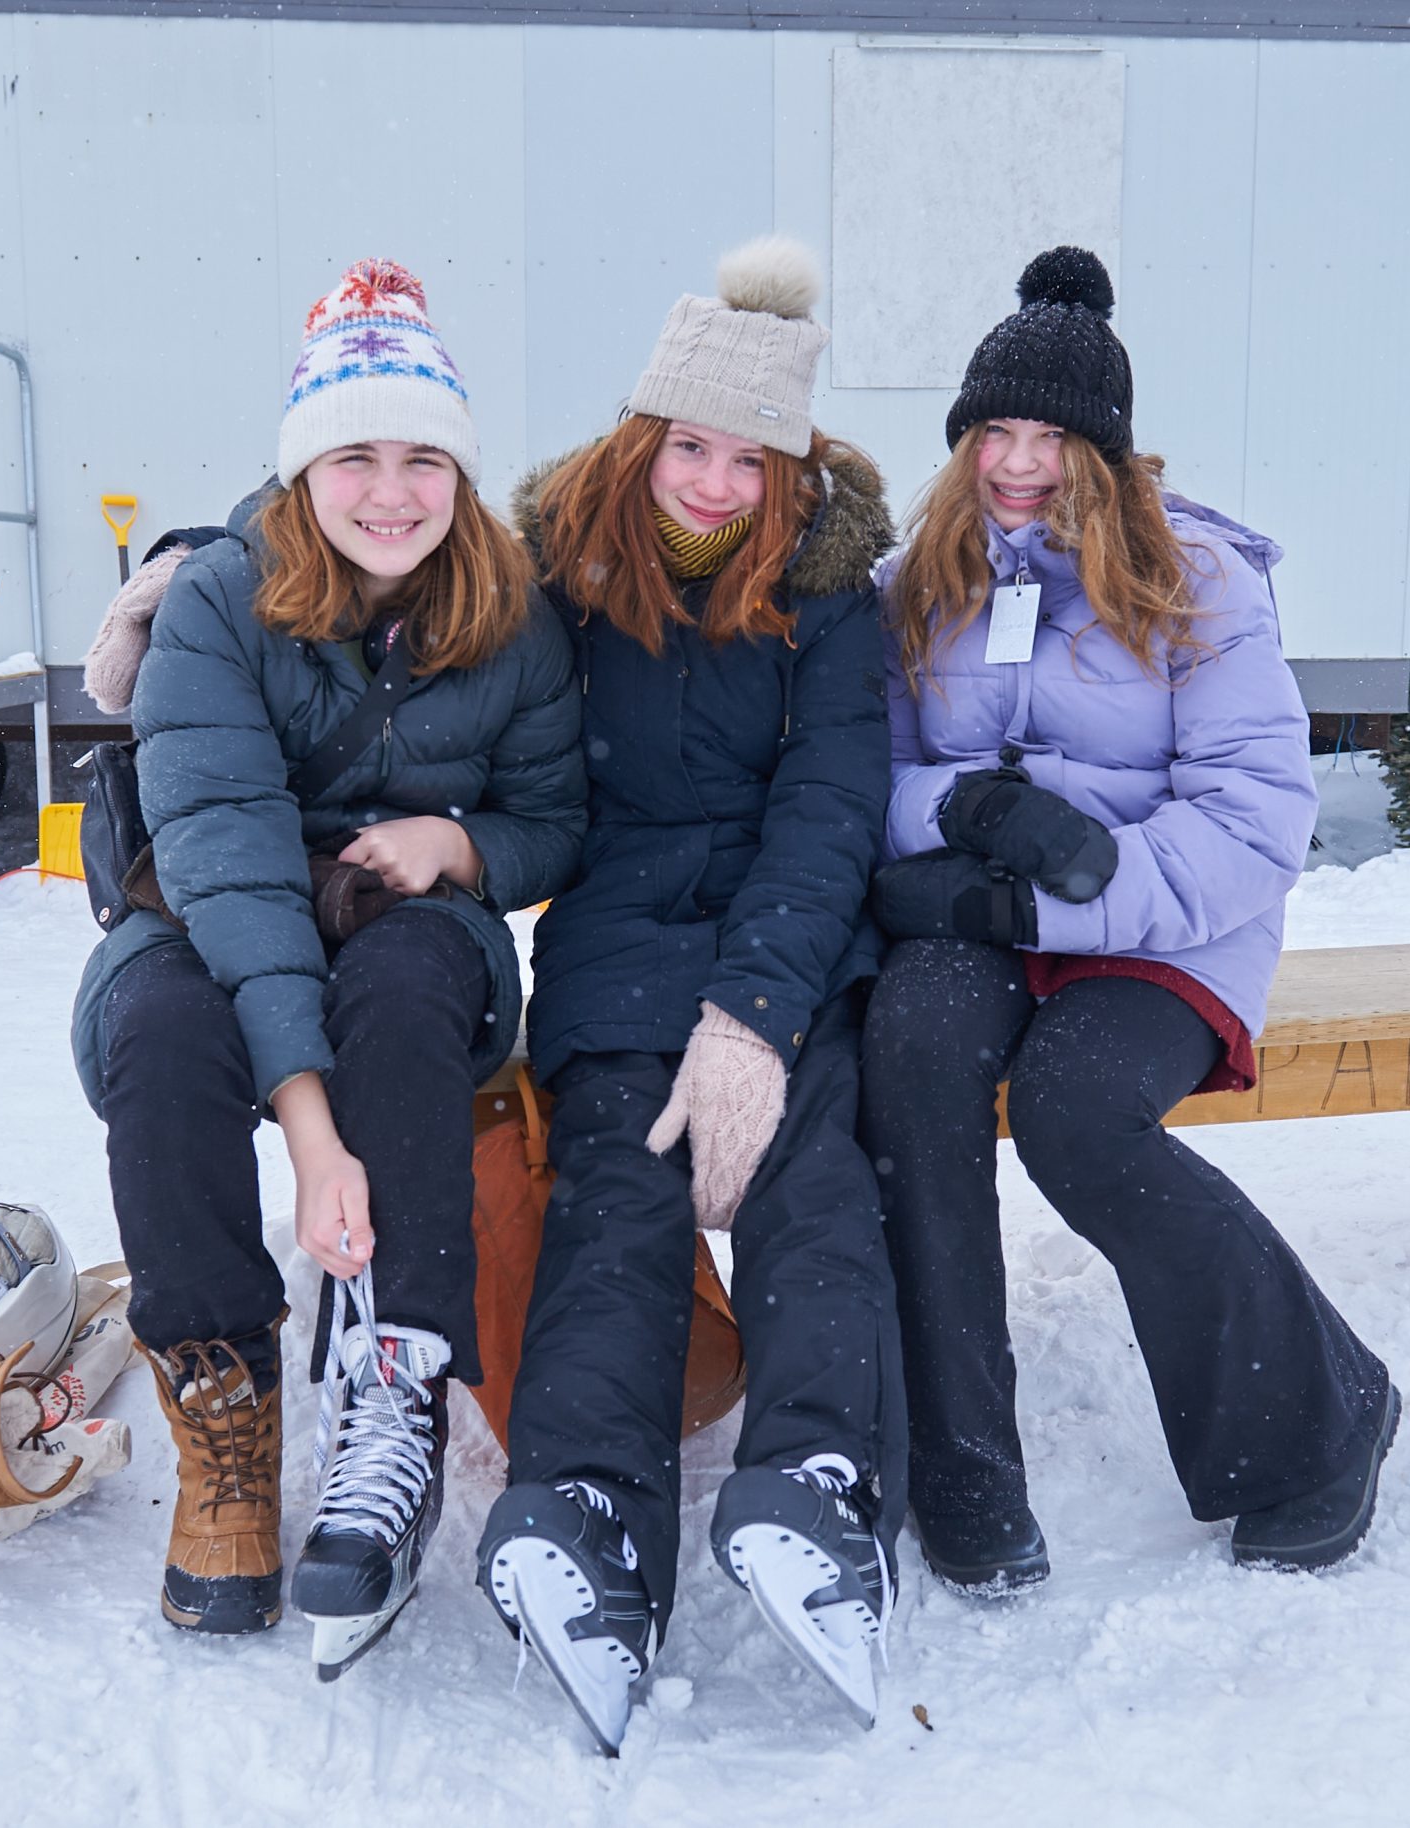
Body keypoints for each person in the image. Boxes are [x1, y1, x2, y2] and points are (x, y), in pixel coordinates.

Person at [68, 260, 586, 1670]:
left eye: (424, 456)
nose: (392, 491)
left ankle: (395, 1389)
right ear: (303, 469)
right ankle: (224, 1412)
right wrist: (308, 1127)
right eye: (354, 453)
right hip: (209, 906)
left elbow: (556, 818)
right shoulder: (222, 604)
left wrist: (461, 849)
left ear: (462, 473)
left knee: (410, 993)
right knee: (166, 1045)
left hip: (409, 920)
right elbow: (230, 856)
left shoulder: (512, 611)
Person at [860, 248, 1398, 1591]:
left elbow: (1255, 820)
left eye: (1052, 436)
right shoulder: (915, 578)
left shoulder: (1197, 579)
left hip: (1167, 927)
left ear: (1103, 452)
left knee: (1076, 1112)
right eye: (997, 431)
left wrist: (1056, 883)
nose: (1020, 463)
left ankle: (1322, 1420)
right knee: (911, 1062)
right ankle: (963, 1466)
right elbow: (854, 778)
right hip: (982, 917)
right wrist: (969, 826)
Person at [471, 238, 905, 1753]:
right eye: (694, 447)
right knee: (619, 1206)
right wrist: (191, 567)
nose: (718, 486)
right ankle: (586, 1505)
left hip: (784, 954)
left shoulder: (830, 597)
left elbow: (832, 809)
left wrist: (756, 1021)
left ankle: (821, 1485)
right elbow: (384, 593)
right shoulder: (558, 568)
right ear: (647, 434)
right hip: (608, 953)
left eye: (754, 458)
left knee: (812, 1189)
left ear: (796, 466)